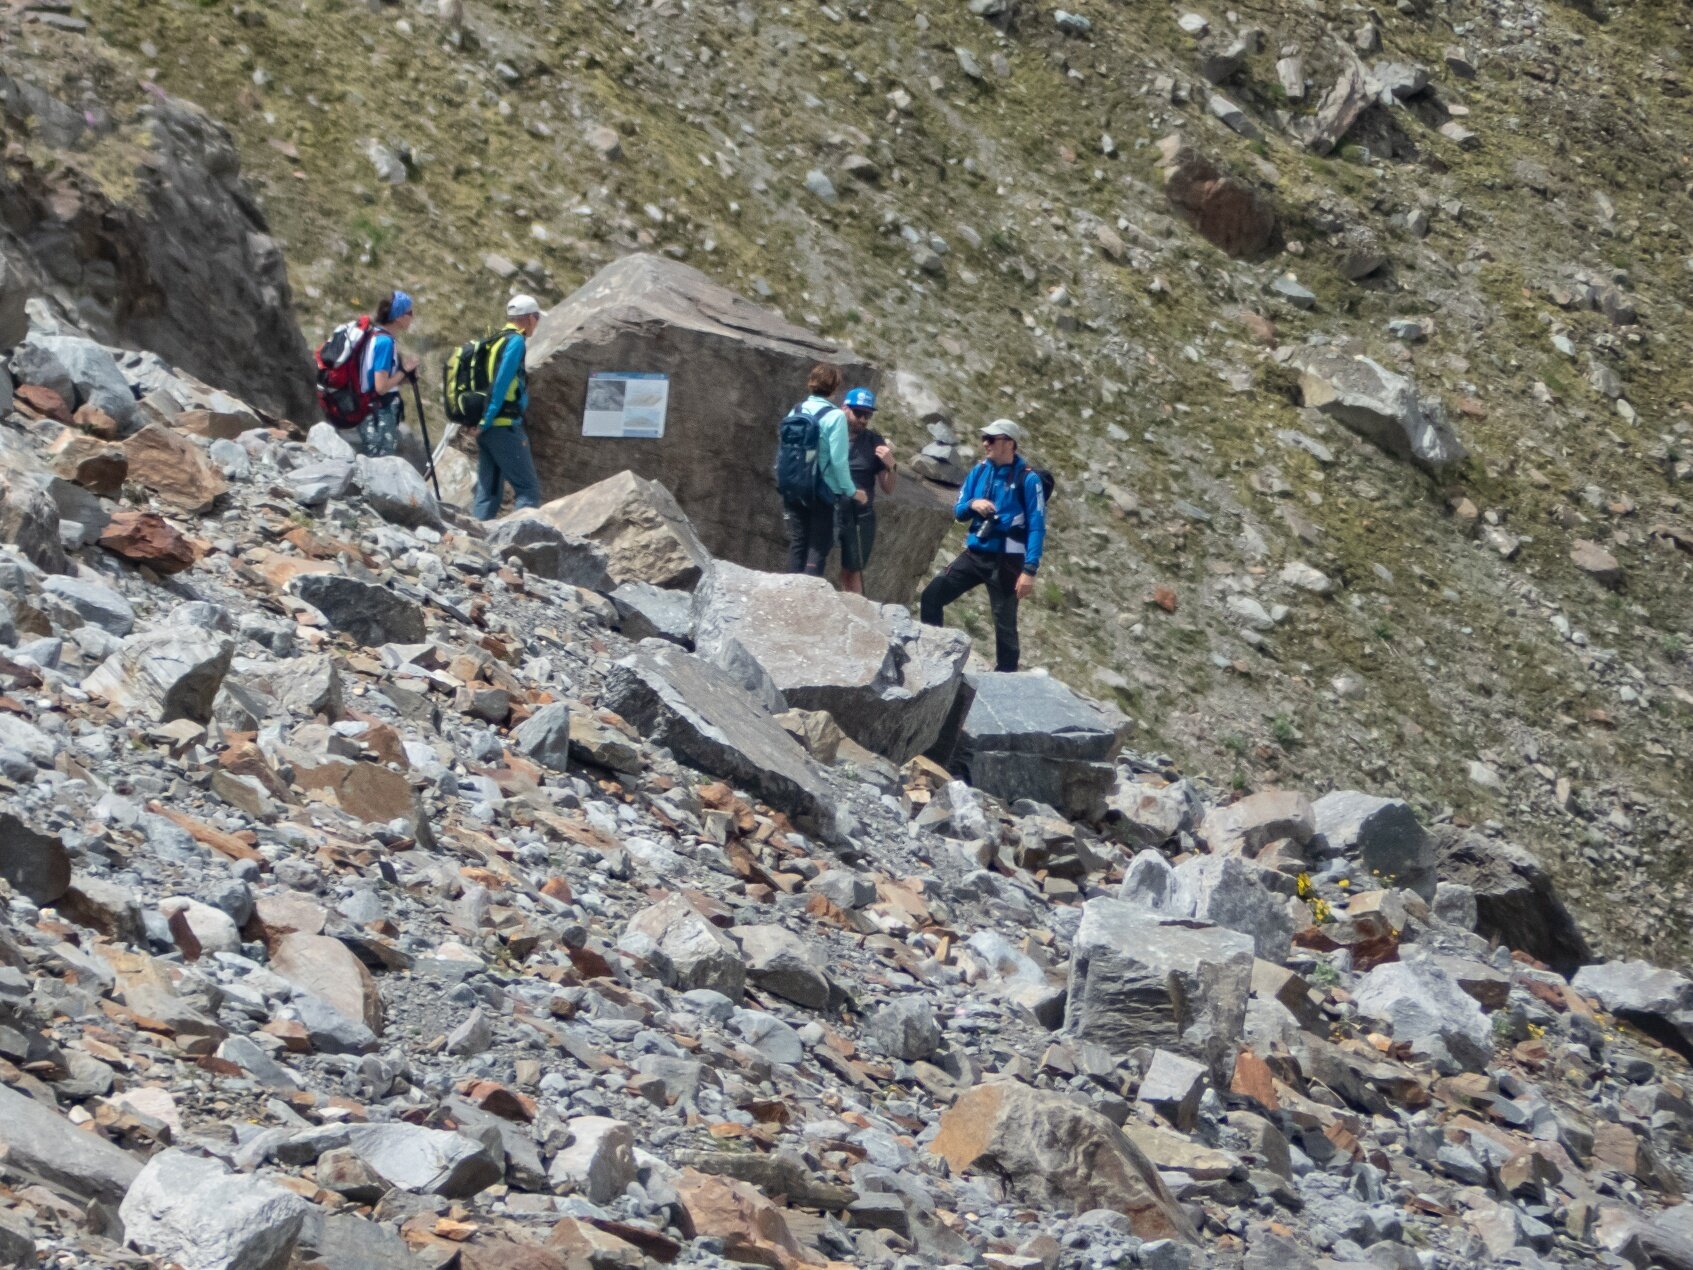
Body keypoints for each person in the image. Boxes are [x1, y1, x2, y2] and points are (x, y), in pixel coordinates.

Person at [919, 419, 1045, 672]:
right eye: (984, 438)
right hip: (976, 553)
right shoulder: (978, 471)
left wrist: (1029, 570)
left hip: (1007, 562)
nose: (985, 443)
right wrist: (973, 505)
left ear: (1009, 443)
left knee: (1004, 625)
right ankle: (934, 658)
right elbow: (958, 511)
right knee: (931, 595)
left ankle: (1005, 679)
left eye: (991, 439)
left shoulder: (1029, 480)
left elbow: (1037, 526)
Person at [472, 294, 545, 521]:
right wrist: (489, 416)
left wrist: (481, 422)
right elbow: (501, 382)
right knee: (528, 489)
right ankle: (522, 538)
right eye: (536, 318)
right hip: (503, 424)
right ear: (528, 318)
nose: (537, 323)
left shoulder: (495, 339)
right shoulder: (515, 342)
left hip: (487, 427)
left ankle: (477, 538)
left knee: (489, 490)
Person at [781, 364, 858, 576]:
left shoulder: (797, 410)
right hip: (822, 490)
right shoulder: (836, 417)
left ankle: (790, 591)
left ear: (811, 383)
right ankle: (807, 597)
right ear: (835, 388)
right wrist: (851, 491)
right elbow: (839, 460)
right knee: (818, 544)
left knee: (798, 541)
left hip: (793, 484)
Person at [837, 387, 895, 595]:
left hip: (860, 515)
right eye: (858, 413)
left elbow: (888, 488)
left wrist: (890, 465)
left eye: (867, 415)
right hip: (830, 507)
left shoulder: (874, 441)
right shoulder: (831, 432)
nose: (862, 419)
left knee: (852, 570)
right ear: (845, 408)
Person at [356, 289, 418, 458]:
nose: (412, 317)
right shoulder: (385, 343)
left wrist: (404, 378)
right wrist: (405, 370)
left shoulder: (375, 335)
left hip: (370, 409)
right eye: (409, 313)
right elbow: (381, 387)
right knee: (379, 462)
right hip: (379, 413)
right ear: (398, 316)